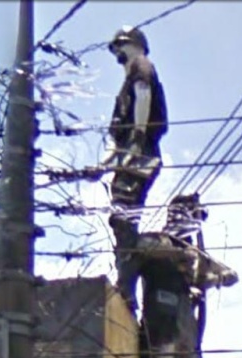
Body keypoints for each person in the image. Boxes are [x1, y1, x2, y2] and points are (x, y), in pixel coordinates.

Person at [136, 195, 216, 358]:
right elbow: (141, 248)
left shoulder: (193, 255)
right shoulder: (156, 241)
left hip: (185, 329)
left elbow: (226, 275)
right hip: (162, 327)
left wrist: (203, 268)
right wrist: (182, 252)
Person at [103, 26, 168, 315]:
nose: (118, 52)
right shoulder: (128, 77)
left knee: (124, 216)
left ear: (135, 44)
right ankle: (127, 282)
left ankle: (127, 287)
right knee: (122, 216)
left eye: (121, 45)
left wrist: (138, 137)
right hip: (131, 152)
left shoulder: (141, 67)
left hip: (139, 151)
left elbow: (143, 97)